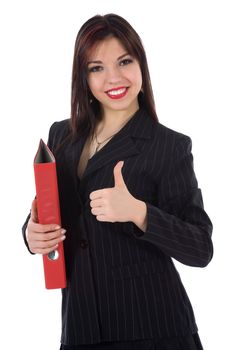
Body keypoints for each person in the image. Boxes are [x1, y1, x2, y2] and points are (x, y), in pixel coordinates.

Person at [22, 13, 213, 350]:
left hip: (152, 329)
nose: (114, 78)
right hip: (80, 327)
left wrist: (140, 212)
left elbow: (200, 248)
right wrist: (31, 232)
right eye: (96, 67)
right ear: (83, 76)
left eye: (124, 61)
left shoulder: (169, 146)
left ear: (141, 63)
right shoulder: (61, 136)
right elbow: (53, 207)